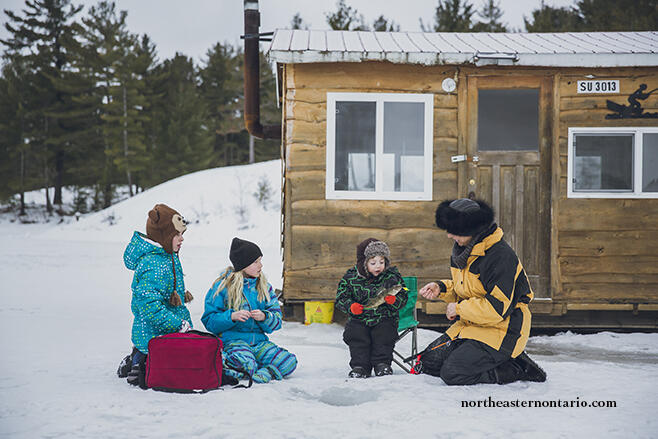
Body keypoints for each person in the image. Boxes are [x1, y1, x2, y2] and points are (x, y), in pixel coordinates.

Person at [418, 198, 547, 385]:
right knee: (428, 363)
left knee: (452, 373)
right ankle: (485, 357)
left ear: (471, 229)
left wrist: (459, 309)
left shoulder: (500, 257)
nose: (448, 235)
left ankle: (517, 367)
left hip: (503, 330)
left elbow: (496, 309)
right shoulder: (463, 251)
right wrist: (441, 288)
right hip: (472, 325)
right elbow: (469, 289)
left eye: (453, 230)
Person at [117, 203, 194, 387]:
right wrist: (178, 324)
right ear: (164, 236)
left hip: (169, 333)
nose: (182, 239)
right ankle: (137, 360)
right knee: (153, 369)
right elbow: (149, 306)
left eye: (182, 234)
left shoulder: (167, 256)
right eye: (177, 235)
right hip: (154, 336)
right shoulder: (153, 264)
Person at [201, 237, 297, 384]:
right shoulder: (223, 287)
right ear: (243, 264)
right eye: (256, 262)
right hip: (233, 342)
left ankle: (265, 371)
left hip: (259, 343)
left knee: (288, 361)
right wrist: (231, 316)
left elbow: (277, 319)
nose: (261, 265)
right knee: (245, 363)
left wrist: (265, 317)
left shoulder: (264, 287)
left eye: (260, 260)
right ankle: (238, 363)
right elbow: (209, 320)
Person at [335, 238, 408, 378]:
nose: (378, 266)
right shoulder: (350, 277)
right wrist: (351, 306)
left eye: (382, 262)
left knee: (384, 333)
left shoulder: (392, 277)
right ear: (364, 263)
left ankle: (382, 364)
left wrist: (394, 301)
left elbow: (404, 295)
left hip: (385, 316)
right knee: (356, 334)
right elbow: (341, 298)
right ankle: (360, 366)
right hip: (360, 317)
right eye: (373, 262)